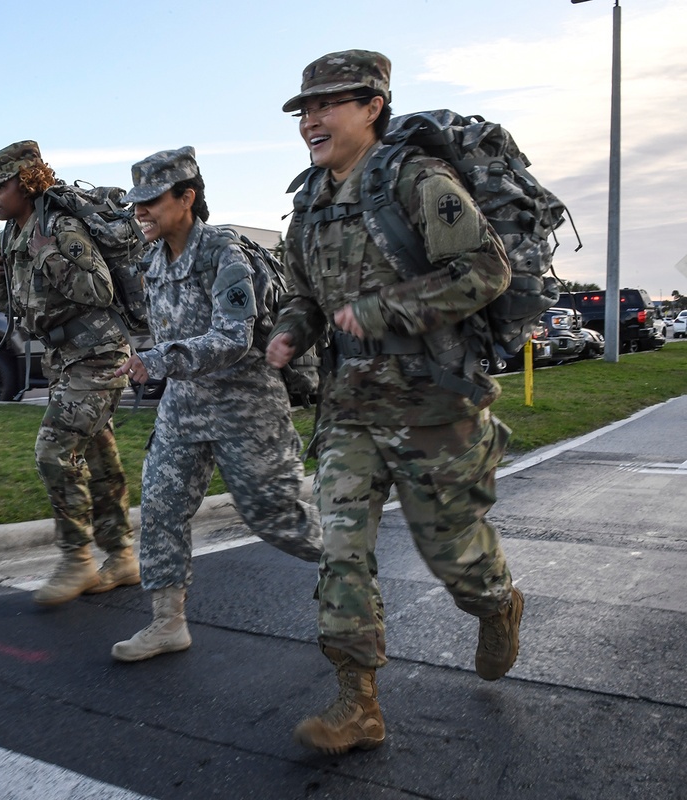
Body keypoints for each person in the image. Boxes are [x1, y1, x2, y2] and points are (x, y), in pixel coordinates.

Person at [267, 50, 524, 754]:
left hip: (432, 407)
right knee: (340, 551)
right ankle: (358, 701)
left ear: (373, 105)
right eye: (305, 110)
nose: (312, 120)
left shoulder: (418, 180)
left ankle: (497, 603)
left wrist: (384, 310)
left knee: (454, 555)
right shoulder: (308, 203)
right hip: (350, 407)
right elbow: (303, 296)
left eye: (329, 105)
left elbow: (486, 269)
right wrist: (291, 333)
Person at [109, 146, 323, 663]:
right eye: (136, 202)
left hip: (245, 408)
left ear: (187, 198)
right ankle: (167, 623)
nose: (140, 211)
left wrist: (158, 360)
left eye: (151, 200)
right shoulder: (155, 261)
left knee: (277, 518)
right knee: (160, 508)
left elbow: (233, 338)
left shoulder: (225, 252)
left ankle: (353, 571)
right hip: (184, 408)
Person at [0, 140, 139, 606]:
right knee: (99, 458)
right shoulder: (14, 233)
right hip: (65, 359)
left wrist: (50, 255)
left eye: (0, 185)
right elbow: (16, 309)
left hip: (99, 355)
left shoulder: (59, 226)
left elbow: (99, 290)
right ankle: (122, 555)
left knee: (53, 452)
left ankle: (78, 560)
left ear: (26, 183)